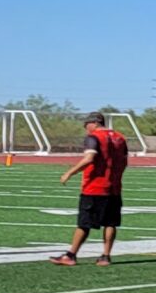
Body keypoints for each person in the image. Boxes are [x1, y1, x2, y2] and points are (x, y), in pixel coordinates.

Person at [53, 110, 129, 264]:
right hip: (114, 187)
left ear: (94, 123)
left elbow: (89, 158)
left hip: (94, 187)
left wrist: (69, 172)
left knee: (84, 223)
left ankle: (71, 255)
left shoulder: (94, 137)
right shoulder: (120, 138)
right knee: (110, 223)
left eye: (86, 124)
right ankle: (106, 256)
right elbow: (124, 161)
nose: (85, 128)